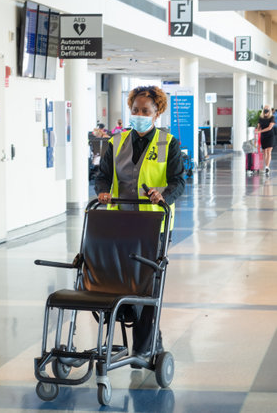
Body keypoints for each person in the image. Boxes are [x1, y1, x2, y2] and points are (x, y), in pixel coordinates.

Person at [95, 85, 185, 358]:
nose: (139, 115)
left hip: (153, 227)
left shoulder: (169, 144)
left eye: (146, 111)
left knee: (147, 287)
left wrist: (164, 195)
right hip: (120, 224)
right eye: (135, 110)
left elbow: (179, 182)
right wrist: (101, 191)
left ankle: (144, 350)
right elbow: (102, 176)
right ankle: (151, 340)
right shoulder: (116, 141)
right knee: (120, 283)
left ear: (157, 113)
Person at [257, 104, 275, 174]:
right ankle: (266, 165)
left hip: (270, 135)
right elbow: (259, 126)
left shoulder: (272, 117)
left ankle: (267, 166)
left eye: (267, 108)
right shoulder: (261, 117)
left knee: (268, 151)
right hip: (263, 136)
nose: (266, 109)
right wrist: (258, 129)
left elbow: (270, 128)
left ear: (270, 110)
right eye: (265, 108)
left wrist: (260, 131)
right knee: (264, 152)